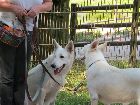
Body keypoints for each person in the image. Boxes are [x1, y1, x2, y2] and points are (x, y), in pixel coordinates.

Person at [0, 0, 53, 105]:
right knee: (6, 77)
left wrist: (38, 8)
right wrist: (14, 8)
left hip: (28, 30)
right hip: (7, 30)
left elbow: (49, 4)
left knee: (22, 75)